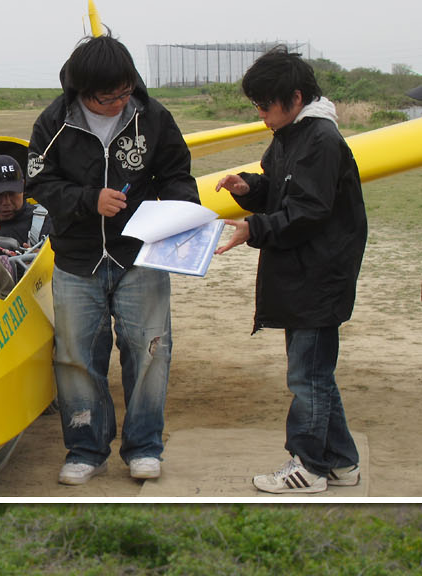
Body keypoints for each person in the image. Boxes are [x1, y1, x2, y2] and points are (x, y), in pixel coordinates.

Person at [25, 33, 199, 486]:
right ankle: (86, 450)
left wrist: (182, 213)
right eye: (108, 98)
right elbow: (39, 184)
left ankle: (144, 448)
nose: (119, 103)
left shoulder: (153, 117)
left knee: (149, 351)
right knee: (77, 358)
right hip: (76, 261)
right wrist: (89, 200)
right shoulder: (52, 123)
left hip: (139, 257)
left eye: (125, 91)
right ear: (82, 90)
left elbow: (177, 174)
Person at [214, 47, 366, 495]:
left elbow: (309, 211)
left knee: (307, 378)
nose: (261, 114)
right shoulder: (289, 134)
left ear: (295, 98)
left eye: (265, 105)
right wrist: (248, 188)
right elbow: (281, 192)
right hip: (301, 276)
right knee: (316, 375)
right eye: (256, 105)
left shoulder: (321, 140)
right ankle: (342, 463)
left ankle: (309, 467)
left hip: (319, 278)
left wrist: (254, 229)